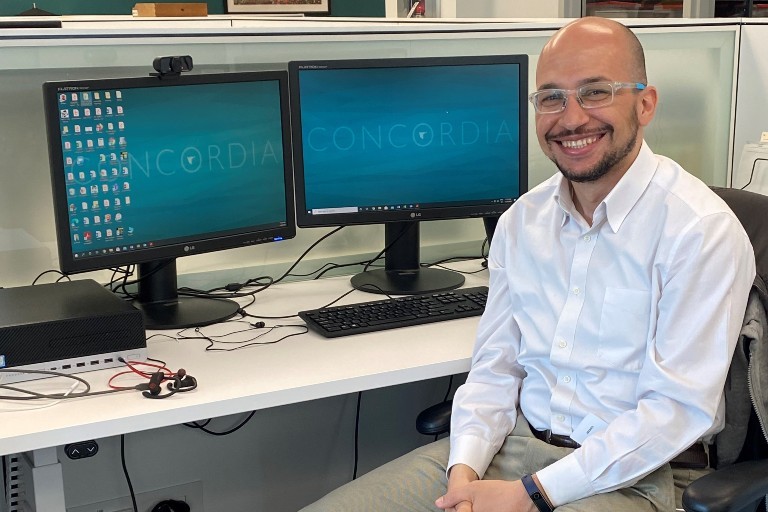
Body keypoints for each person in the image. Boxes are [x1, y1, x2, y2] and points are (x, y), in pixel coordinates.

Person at [300, 16, 756, 512]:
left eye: (596, 92)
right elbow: (495, 370)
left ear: (645, 103)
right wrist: (463, 473)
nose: (571, 118)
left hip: (640, 472)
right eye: (552, 97)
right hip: (513, 449)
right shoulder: (523, 221)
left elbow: (673, 413)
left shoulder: (699, 230)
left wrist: (530, 495)